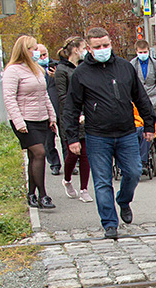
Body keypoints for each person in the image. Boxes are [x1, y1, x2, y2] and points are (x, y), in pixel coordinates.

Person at [63, 27, 155, 239]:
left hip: (126, 133)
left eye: (106, 45)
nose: (103, 49)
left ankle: (123, 200)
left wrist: (149, 125)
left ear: (110, 43)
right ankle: (109, 223)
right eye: (98, 47)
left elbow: (140, 97)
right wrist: (72, 137)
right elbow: (71, 108)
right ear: (89, 48)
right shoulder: (81, 74)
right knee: (102, 181)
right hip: (97, 136)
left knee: (133, 171)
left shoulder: (124, 67)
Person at [3, 35, 58, 209]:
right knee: (40, 153)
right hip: (25, 120)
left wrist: (52, 117)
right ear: (24, 50)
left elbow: (45, 95)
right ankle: (43, 195)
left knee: (34, 156)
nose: (37, 52)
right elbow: (9, 98)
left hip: (41, 118)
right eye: (33, 49)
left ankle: (31, 194)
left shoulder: (35, 69)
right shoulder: (13, 70)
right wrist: (19, 122)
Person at [55, 36, 93, 203]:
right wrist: (75, 114)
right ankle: (68, 179)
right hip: (71, 117)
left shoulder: (84, 68)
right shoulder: (62, 70)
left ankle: (84, 189)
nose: (86, 51)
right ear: (76, 49)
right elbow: (62, 96)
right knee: (73, 152)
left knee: (85, 153)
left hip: (87, 117)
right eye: (84, 47)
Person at [130, 40, 156, 171]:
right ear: (136, 52)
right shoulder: (131, 66)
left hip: (153, 101)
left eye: (145, 52)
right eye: (140, 52)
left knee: (150, 127)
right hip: (136, 102)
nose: (143, 54)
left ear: (149, 51)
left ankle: (145, 160)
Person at [37, 43, 63, 175]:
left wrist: (56, 76)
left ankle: (71, 163)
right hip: (44, 110)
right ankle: (54, 163)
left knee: (66, 138)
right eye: (40, 55)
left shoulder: (57, 66)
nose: (42, 57)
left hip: (60, 107)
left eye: (44, 54)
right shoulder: (33, 69)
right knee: (48, 140)